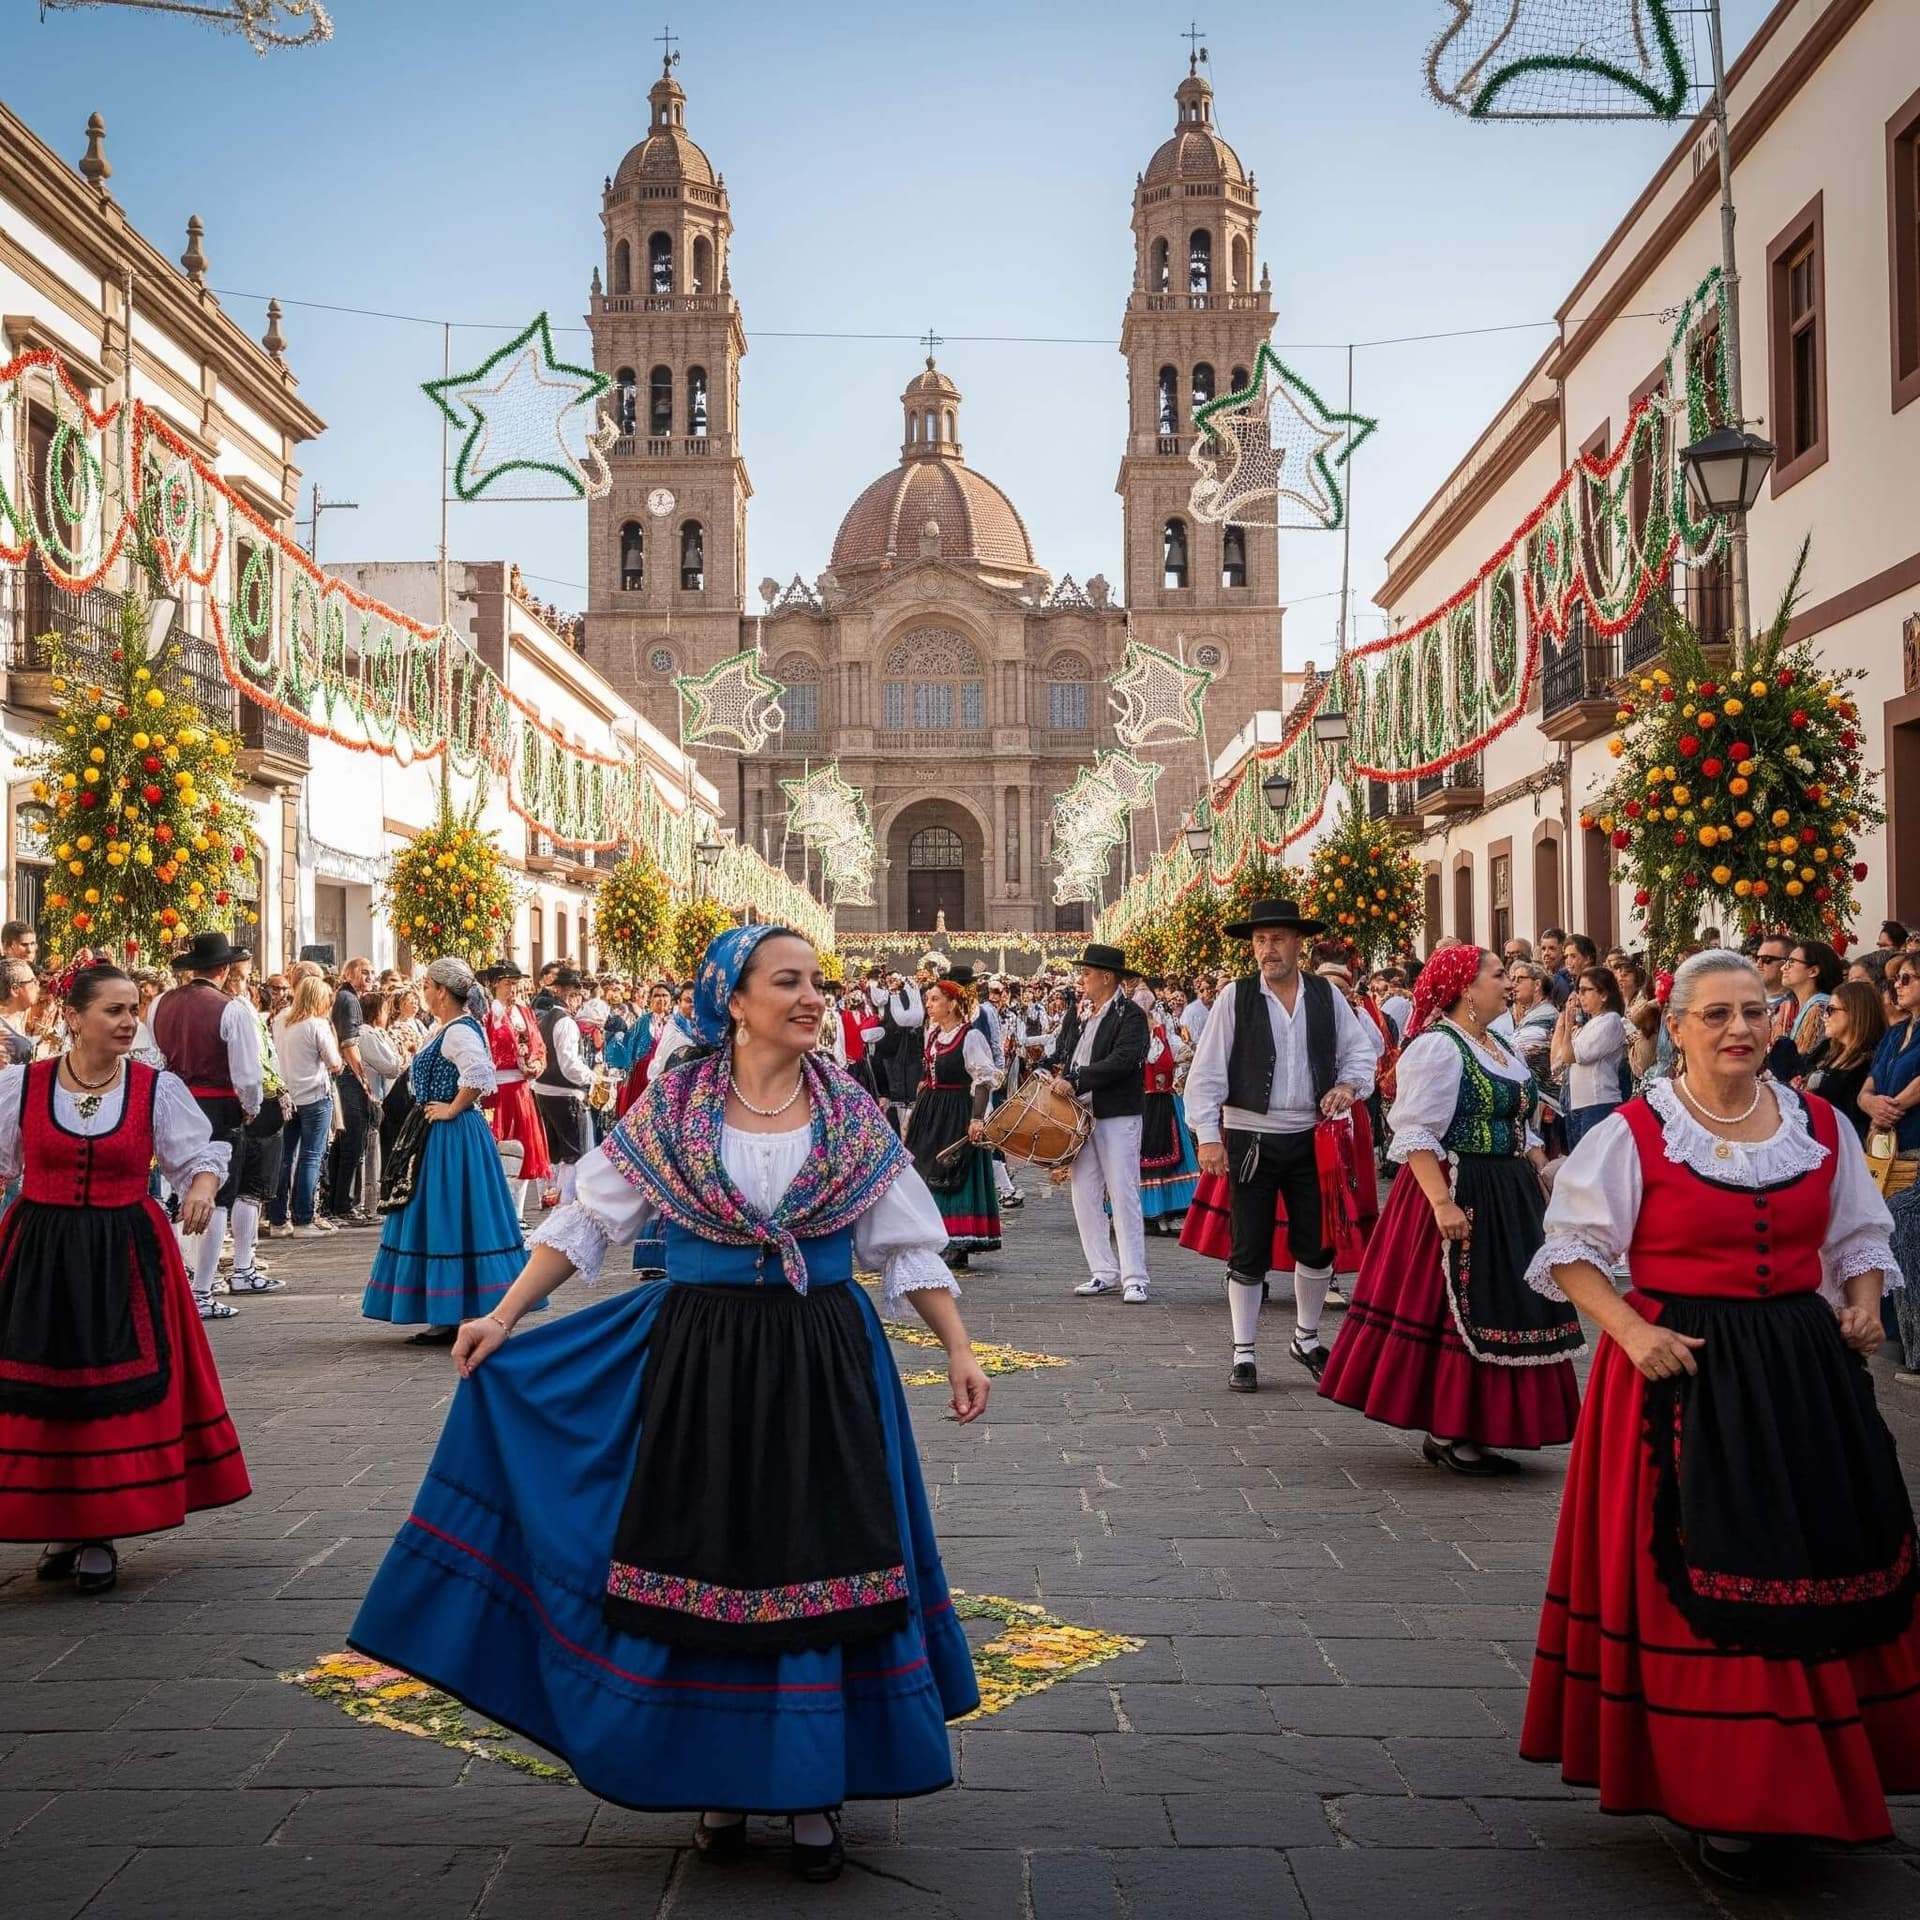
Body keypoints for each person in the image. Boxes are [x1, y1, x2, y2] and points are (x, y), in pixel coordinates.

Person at [349, 928, 988, 1880]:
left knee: (817, 1552)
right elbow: (592, 1219)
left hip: (822, 1361)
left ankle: (813, 1793)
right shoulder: (677, 1104)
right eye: (790, 982)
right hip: (700, 1361)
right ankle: (720, 1782)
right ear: (734, 997)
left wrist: (960, 1346)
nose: (813, 998)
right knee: (703, 1554)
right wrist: (504, 1315)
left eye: (818, 983)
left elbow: (903, 1243)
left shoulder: (847, 1108)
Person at [1518, 950, 1917, 1883]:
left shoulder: (1817, 1121)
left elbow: (1859, 1232)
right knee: (1715, 1576)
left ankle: (1814, 1769)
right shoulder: (1634, 1131)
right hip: (1680, 1375)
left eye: (1753, 1013)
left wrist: (1859, 1303)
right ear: (1681, 1027)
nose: (1740, 1030)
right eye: (1717, 1016)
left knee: (1819, 1560)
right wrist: (1626, 1329)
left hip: (1804, 1376)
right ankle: (1733, 1792)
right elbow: (1573, 1248)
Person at [0, 961, 250, 1594]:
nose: (128, 1021)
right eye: (113, 1010)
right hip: (39, 1253)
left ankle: (99, 1529)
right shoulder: (22, 1086)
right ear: (74, 1016)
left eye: (133, 1009)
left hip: (125, 1252)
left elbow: (197, 1154)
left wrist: (198, 1183)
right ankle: (60, 1522)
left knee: (108, 1386)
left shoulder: (152, 1088)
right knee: (42, 1387)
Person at [1318, 945, 1580, 1467]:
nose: (1508, 983)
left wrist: (1539, 1167)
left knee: (1504, 1302)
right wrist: (1441, 1202)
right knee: (1455, 1304)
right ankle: (1450, 1428)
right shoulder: (1439, 1047)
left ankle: (1472, 1427)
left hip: (1509, 1194)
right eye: (1498, 974)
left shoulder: (1498, 1044)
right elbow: (1416, 1132)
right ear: (1465, 988)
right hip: (1460, 1186)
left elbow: (1520, 1121)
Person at [1183, 901, 1377, 1389]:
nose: (1267, 950)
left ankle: (1306, 1338)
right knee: (1248, 1246)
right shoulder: (1236, 997)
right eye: (1260, 941)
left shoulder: (1326, 996)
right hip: (1250, 1136)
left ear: (1297, 943)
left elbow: (1360, 1053)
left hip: (1312, 1136)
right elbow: (1206, 1072)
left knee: (1316, 1245)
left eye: (1277, 939)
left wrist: (1349, 1087)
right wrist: (1208, 1136)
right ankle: (1243, 1351)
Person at [362, 957, 526, 1346]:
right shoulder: (450, 1028)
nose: (424, 992)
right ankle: (451, 1310)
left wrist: (452, 1107)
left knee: (448, 1215)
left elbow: (480, 1074)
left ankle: (453, 1312)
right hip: (442, 1133)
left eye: (428, 986)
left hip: (451, 1135)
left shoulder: (457, 1032)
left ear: (441, 991)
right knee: (446, 1216)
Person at [152, 931, 264, 1321]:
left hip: (171, 1100)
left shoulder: (159, 1004)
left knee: (180, 1188)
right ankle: (201, 1288)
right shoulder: (231, 1008)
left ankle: (188, 1281)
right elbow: (247, 1074)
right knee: (216, 1195)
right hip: (216, 1106)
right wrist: (250, 1107)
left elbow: (152, 1056)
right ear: (223, 968)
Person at [1053, 943, 1152, 1305]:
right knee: (1084, 1192)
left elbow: (1123, 1061)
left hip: (1117, 1113)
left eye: (1087, 973)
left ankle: (1135, 1276)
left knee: (1123, 1192)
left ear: (1107, 977)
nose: (1083, 979)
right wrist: (1061, 1076)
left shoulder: (1131, 1015)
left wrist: (1077, 1080)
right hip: (1082, 1113)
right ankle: (1103, 1269)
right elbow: (1074, 1054)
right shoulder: (1087, 1014)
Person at [903, 975, 1001, 1268]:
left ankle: (957, 1242)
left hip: (956, 1109)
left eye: (934, 1000)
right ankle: (934, 1236)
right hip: (930, 1110)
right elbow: (929, 1073)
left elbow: (983, 1079)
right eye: (927, 1000)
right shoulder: (933, 1034)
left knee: (953, 1170)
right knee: (925, 1168)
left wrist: (976, 1118)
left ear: (953, 1004)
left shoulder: (970, 1036)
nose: (928, 1005)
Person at [267, 974, 342, 1240]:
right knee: (311, 1156)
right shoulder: (316, 1024)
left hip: (287, 1095)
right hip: (314, 1095)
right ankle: (303, 1218)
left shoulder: (280, 1020)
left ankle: (277, 1218)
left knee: (285, 1157)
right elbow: (334, 1062)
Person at [481, 963, 552, 1219]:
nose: (513, 988)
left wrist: (536, 1063)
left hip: (521, 1092)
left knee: (524, 1154)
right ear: (494, 984)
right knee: (498, 1155)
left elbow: (539, 1046)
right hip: (495, 1092)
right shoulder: (487, 1014)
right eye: (508, 982)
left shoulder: (524, 1012)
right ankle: (495, 1216)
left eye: (515, 982)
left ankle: (518, 1215)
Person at [325, 957, 377, 1226]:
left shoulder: (346, 998)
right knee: (352, 1143)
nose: (369, 977)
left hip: (343, 1076)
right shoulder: (349, 1000)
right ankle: (344, 1204)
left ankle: (338, 1202)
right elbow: (348, 1043)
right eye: (364, 972)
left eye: (371, 972)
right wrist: (362, 1077)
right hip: (348, 1077)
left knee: (346, 1144)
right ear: (348, 974)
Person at [1139, 1003, 1199, 1235]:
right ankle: (1148, 1212)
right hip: (1140, 1106)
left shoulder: (1165, 1037)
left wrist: (1181, 1058)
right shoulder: (1132, 1041)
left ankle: (1170, 1210)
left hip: (1165, 1103)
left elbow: (1187, 1053)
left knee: (1174, 1157)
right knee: (1142, 1159)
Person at [1799, 980, 1886, 1142]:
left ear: (1855, 1012)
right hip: (1811, 1138)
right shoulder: (1825, 1048)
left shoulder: (1870, 1062)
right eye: (1825, 1009)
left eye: (1831, 1010)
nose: (1824, 1015)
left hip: (1843, 1144)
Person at [530, 968, 595, 1182]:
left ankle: (550, 1196)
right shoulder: (566, 1022)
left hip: (543, 1090)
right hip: (564, 1093)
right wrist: (592, 1077)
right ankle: (565, 1203)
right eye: (576, 993)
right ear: (567, 994)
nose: (579, 999)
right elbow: (569, 1065)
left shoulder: (546, 1019)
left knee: (553, 1151)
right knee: (572, 1154)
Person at [1552, 966, 1627, 1149]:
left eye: (1586, 990)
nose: (1580, 996)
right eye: (1579, 990)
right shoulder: (1590, 1025)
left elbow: (1571, 1056)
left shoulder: (1611, 1021)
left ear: (1603, 994)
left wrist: (1568, 1025)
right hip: (1578, 1104)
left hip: (1598, 1103)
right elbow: (1558, 1060)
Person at [1862, 958, 1920, 1152]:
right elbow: (1870, 1081)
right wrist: (1868, 1102)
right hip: (1887, 1149)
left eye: (1905, 979)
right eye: (1896, 979)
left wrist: (1884, 1114)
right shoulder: (1895, 1032)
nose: (1896, 985)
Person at [1772, 938, 1844, 1072]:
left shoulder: (1822, 1009)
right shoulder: (1803, 1007)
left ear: (1813, 971)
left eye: (1791, 962)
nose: (1783, 968)